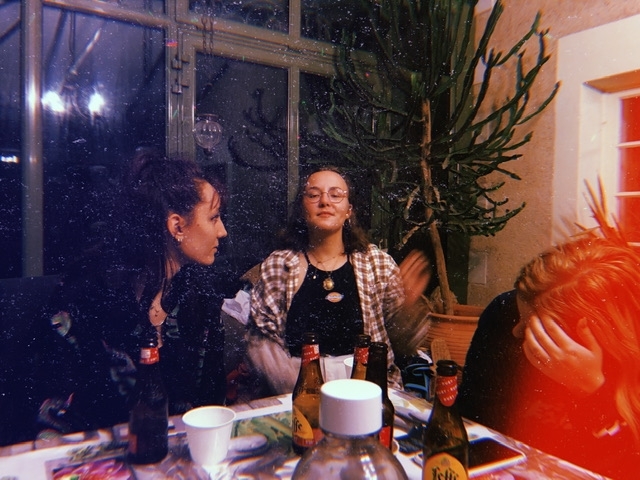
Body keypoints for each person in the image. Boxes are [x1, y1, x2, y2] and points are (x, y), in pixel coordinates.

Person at [29, 151, 230, 436]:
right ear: (177, 226)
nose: (222, 231)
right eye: (214, 218)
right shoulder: (86, 293)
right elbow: (55, 415)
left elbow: (211, 402)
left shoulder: (200, 293)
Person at [458, 234, 640, 478]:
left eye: (530, 328)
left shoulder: (626, 370)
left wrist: (594, 392)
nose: (515, 331)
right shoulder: (504, 313)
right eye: (520, 317)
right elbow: (471, 419)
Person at [246, 165, 430, 394]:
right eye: (314, 195)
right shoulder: (278, 265)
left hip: (366, 392)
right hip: (298, 392)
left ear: (349, 210)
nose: (325, 201)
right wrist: (308, 390)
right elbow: (260, 344)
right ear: (302, 209)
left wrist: (408, 309)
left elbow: (405, 344)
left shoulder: (378, 264)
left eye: (336, 195)